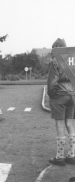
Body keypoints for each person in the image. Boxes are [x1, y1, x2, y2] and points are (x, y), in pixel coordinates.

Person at [47, 38, 75, 166]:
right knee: (70, 124)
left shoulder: (55, 62)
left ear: (57, 49)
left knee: (59, 125)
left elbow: (52, 82)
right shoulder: (72, 61)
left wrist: (51, 95)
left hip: (59, 95)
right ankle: (72, 154)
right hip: (71, 95)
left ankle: (60, 156)